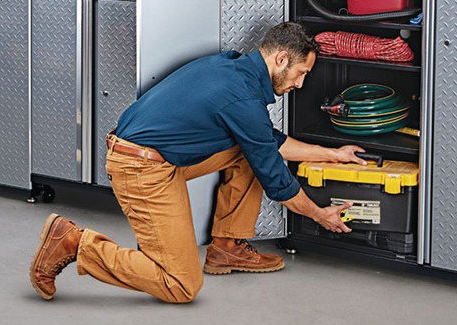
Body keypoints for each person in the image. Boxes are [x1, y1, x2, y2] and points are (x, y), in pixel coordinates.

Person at [29, 22, 366, 303]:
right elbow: (279, 184)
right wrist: (321, 215)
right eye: (300, 73)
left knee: (248, 150)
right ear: (281, 59)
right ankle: (75, 243)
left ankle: (226, 246)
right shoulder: (243, 99)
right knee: (180, 284)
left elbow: (267, 141)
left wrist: (333, 154)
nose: (300, 83)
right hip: (140, 168)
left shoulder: (231, 66)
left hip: (154, 155)